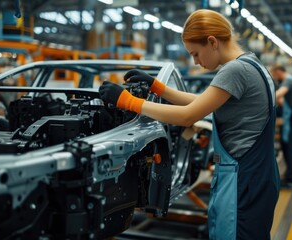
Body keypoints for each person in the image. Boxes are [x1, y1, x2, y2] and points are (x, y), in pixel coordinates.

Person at [99, 9, 279, 240]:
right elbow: (202, 103)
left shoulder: (235, 70)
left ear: (212, 42)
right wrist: (158, 88)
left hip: (242, 179)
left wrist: (128, 101)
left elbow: (188, 116)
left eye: (195, 53)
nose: (196, 61)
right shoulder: (252, 64)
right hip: (255, 175)